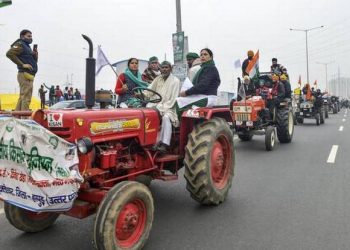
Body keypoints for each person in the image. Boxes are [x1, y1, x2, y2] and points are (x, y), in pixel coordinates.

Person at [144, 61, 180, 153]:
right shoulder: (158, 79)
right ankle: (148, 141)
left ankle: (164, 144)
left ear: (170, 68)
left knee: (166, 117)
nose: (164, 69)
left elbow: (173, 100)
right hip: (155, 105)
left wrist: (160, 108)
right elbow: (149, 91)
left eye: (166, 67)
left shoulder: (175, 81)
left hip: (169, 108)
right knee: (145, 114)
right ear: (160, 69)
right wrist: (142, 94)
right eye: (162, 68)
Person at [177, 48, 220, 113]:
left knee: (178, 103)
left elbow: (202, 86)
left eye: (205, 54)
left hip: (207, 97)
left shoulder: (211, 68)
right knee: (180, 101)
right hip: (201, 96)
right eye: (201, 55)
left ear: (211, 57)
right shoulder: (203, 68)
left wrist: (186, 93)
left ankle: (182, 123)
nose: (203, 56)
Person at [6, 29, 38, 111]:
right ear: (22, 36)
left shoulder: (27, 47)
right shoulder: (20, 44)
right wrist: (22, 64)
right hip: (25, 74)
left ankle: (17, 117)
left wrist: (35, 55)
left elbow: (33, 61)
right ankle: (24, 118)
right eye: (28, 36)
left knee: (23, 97)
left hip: (28, 74)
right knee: (26, 98)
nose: (31, 38)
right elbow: (9, 54)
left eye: (31, 36)